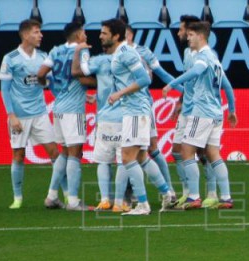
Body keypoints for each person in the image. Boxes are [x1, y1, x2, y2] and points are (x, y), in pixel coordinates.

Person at [163, 21, 237, 210]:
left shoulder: (203, 57)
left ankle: (193, 197)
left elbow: (196, 70)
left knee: (186, 151)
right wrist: (232, 110)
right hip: (216, 113)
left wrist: (172, 84)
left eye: (190, 35)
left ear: (201, 36)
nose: (187, 38)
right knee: (213, 153)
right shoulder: (214, 58)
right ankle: (226, 198)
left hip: (202, 112)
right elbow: (227, 85)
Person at [104, 18, 175, 215]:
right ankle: (167, 194)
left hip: (136, 110)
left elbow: (144, 79)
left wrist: (119, 94)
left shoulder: (126, 53)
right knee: (142, 156)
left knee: (127, 157)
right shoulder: (120, 53)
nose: (100, 36)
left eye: (104, 33)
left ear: (116, 36)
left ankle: (143, 204)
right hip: (133, 110)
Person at [0, 19, 66, 209]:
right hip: (19, 116)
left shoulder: (44, 57)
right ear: (26, 35)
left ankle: (68, 195)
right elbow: (5, 89)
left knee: (55, 152)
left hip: (40, 113)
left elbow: (51, 85)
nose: (41, 35)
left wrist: (67, 97)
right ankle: (18, 198)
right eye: (37, 32)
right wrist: (11, 115)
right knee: (18, 155)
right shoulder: (10, 58)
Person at [37, 22, 92, 211]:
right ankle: (74, 201)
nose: (86, 36)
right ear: (78, 36)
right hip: (74, 109)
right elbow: (82, 74)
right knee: (75, 154)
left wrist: (53, 88)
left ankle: (52, 196)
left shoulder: (55, 51)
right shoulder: (82, 51)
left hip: (59, 107)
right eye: (84, 32)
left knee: (65, 152)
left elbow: (41, 74)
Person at [71, 40, 130, 213]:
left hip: (105, 117)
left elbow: (78, 71)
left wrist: (81, 52)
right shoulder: (129, 58)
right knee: (123, 161)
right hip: (125, 116)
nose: (101, 37)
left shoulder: (100, 61)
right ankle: (119, 201)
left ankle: (105, 199)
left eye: (104, 34)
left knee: (103, 161)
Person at [125, 25, 179, 199]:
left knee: (152, 148)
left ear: (130, 34)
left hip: (142, 105)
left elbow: (162, 73)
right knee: (126, 151)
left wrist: (182, 89)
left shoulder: (143, 52)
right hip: (121, 107)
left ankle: (169, 190)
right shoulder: (114, 53)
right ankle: (128, 192)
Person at [171, 15, 220, 209]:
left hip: (201, 110)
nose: (180, 33)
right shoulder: (187, 53)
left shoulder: (205, 55)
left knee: (203, 152)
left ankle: (211, 193)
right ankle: (187, 192)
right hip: (187, 109)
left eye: (182, 30)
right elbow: (190, 84)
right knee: (178, 150)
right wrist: (180, 101)